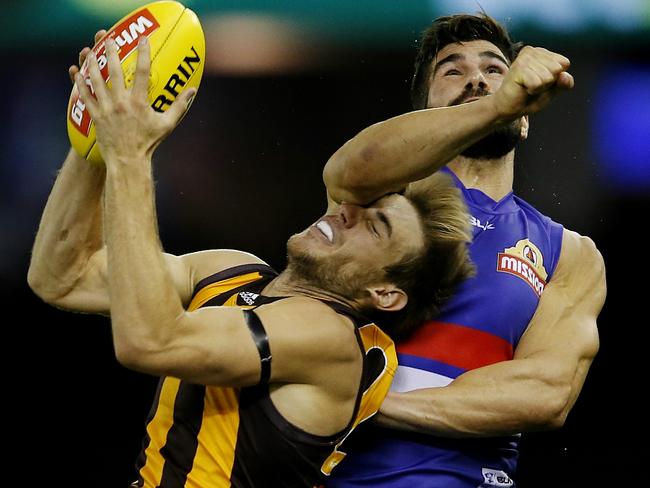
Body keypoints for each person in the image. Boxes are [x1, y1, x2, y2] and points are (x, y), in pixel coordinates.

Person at [26, 32, 475, 487]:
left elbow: (150, 342)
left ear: (385, 293)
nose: (347, 212)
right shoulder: (231, 270)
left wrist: (129, 153)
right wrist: (99, 132)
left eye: (376, 226)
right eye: (359, 204)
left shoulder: (334, 340)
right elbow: (62, 277)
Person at [324, 13, 606, 488]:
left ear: (526, 121)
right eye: (452, 71)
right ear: (424, 114)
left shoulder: (569, 253)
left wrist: (360, 403)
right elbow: (351, 169)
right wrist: (494, 106)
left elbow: (545, 394)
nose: (476, 78)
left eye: (496, 70)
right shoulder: (384, 198)